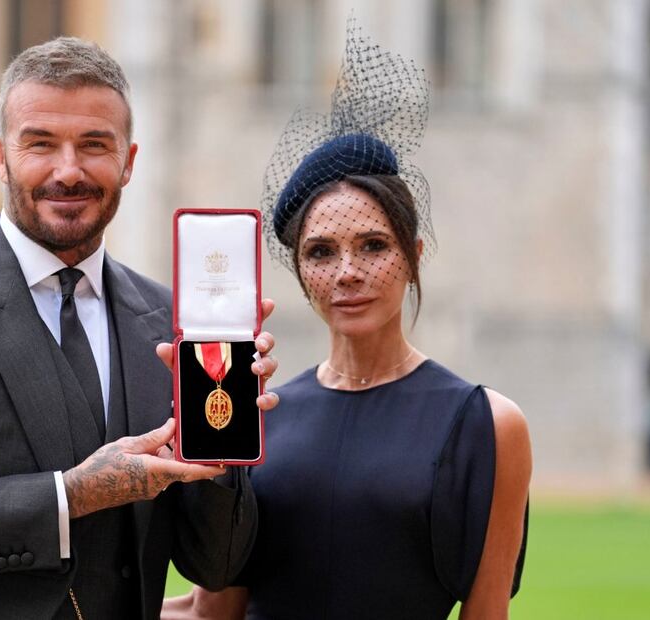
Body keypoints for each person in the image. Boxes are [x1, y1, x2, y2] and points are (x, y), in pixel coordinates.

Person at [0, 37, 278, 619]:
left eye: (94, 145)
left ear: (129, 161)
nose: (69, 170)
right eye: (41, 144)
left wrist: (226, 438)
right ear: (0, 156)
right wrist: (73, 496)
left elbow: (216, 565)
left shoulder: (170, 324)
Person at [162, 26, 530, 620]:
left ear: (414, 255)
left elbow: (487, 612)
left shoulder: (488, 425)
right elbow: (213, 612)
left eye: (373, 245)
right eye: (321, 252)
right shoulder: (258, 415)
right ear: (301, 273)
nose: (348, 272)